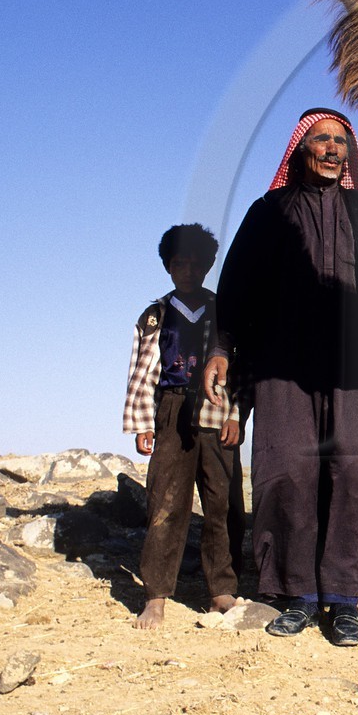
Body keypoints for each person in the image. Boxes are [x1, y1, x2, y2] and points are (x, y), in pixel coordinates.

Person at [204, 108, 358, 646]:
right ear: (301, 149)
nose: (332, 148)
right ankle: (296, 594)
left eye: (341, 141)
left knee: (351, 472)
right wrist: (222, 348)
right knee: (287, 470)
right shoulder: (269, 211)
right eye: (321, 139)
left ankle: (343, 599)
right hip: (282, 363)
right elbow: (237, 285)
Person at [122, 224, 246, 630]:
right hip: (171, 412)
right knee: (165, 502)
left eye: (196, 264)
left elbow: (242, 366)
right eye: (180, 264)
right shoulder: (156, 314)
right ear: (168, 266)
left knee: (221, 503)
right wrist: (143, 422)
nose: (188, 271)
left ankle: (220, 590)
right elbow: (142, 370)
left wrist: (235, 413)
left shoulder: (224, 308)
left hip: (217, 409)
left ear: (209, 266)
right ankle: (156, 595)